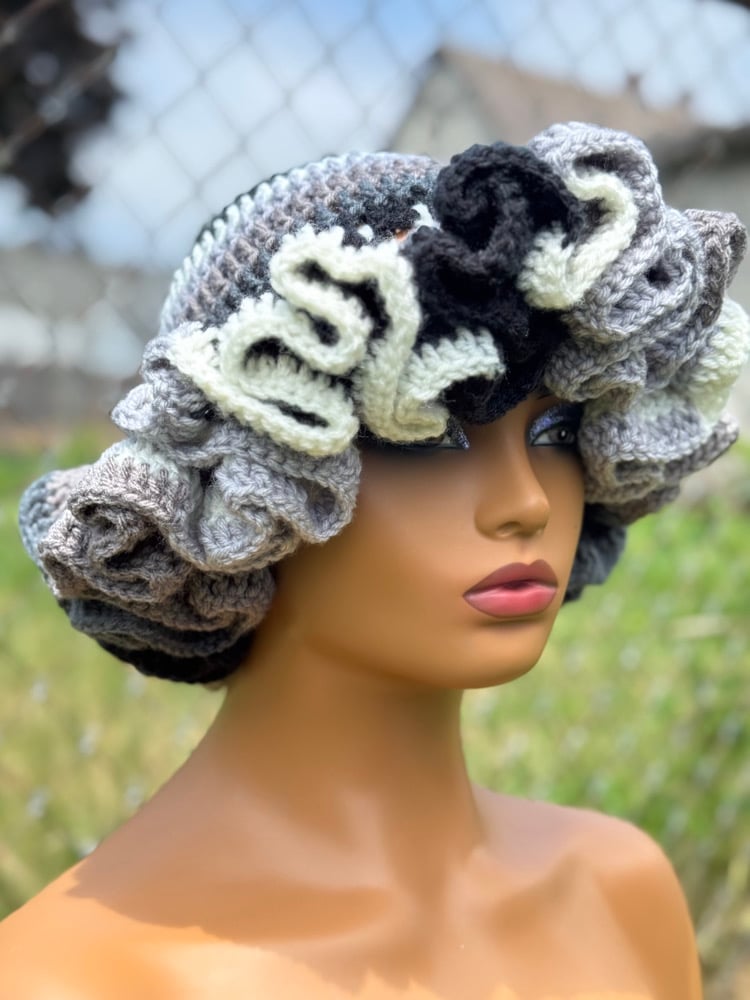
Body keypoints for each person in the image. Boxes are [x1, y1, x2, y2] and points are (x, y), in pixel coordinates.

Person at [1, 121, 748, 999]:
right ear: (249, 482)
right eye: (425, 434)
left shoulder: (621, 892)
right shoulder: (73, 978)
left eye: (556, 431)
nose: (527, 502)